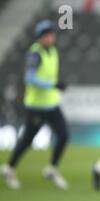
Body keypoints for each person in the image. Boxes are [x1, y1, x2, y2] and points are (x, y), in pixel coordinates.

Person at [1, 20, 69, 190]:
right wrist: (52, 85)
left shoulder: (52, 51)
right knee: (27, 140)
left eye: (51, 34)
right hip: (36, 106)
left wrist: (53, 86)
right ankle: (9, 168)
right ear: (40, 37)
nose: (50, 37)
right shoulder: (35, 54)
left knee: (63, 135)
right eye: (46, 34)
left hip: (51, 104)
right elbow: (29, 78)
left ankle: (52, 169)